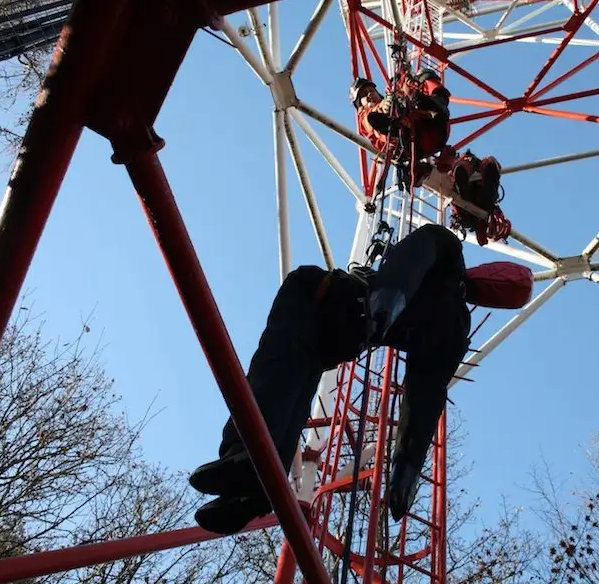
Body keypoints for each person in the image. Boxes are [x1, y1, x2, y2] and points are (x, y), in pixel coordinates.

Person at [190, 224, 471, 535]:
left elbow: (421, 247)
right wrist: (407, 467)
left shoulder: (448, 261)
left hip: (322, 298)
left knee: (277, 368)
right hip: (343, 336)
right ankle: (253, 488)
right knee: (295, 391)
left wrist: (389, 298)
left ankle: (246, 455)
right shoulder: (452, 333)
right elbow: (423, 398)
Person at [351, 74, 511, 247]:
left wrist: (412, 93)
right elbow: (369, 121)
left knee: (426, 90)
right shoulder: (365, 117)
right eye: (364, 96)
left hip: (426, 132)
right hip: (403, 141)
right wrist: (385, 106)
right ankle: (468, 183)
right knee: (391, 117)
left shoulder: (397, 97)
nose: (369, 95)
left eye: (370, 91)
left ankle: (432, 104)